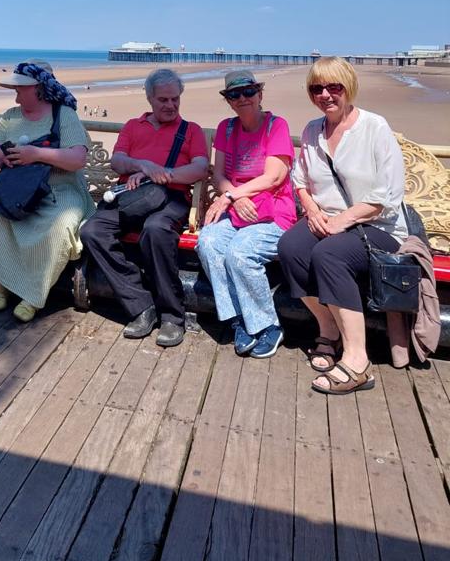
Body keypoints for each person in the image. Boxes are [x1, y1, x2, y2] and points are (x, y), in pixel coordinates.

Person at [277, 57, 407, 395]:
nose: (325, 95)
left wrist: (342, 221)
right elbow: (300, 180)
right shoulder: (312, 130)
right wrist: (311, 210)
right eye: (316, 88)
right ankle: (328, 328)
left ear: (349, 87)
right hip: (328, 218)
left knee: (329, 254)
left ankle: (357, 361)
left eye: (334, 87)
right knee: (291, 248)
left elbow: (388, 196)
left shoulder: (374, 127)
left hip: (377, 225)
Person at [80, 69, 209, 348]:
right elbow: (117, 161)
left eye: (175, 99)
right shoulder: (132, 126)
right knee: (92, 231)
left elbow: (200, 168)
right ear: (149, 98)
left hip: (171, 197)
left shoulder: (191, 130)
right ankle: (141, 305)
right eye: (163, 100)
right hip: (131, 197)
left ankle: (172, 315)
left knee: (156, 229)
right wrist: (142, 165)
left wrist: (161, 175)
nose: (170, 105)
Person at [0, 61, 94, 323]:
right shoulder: (10, 116)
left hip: (59, 189)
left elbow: (77, 159)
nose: (16, 96)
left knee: (61, 225)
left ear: (39, 89)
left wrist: (36, 154)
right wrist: (6, 155)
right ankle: (1, 285)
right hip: (17, 187)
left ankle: (34, 295)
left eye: (20, 90)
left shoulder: (64, 115)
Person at [197, 71, 295, 358]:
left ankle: (268, 325)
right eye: (234, 94)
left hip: (273, 212)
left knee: (239, 252)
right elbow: (219, 175)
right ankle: (239, 319)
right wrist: (234, 197)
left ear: (260, 94)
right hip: (238, 209)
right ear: (228, 101)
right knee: (208, 242)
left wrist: (231, 196)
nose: (242, 98)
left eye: (249, 92)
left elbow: (274, 177)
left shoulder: (276, 126)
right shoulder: (226, 128)